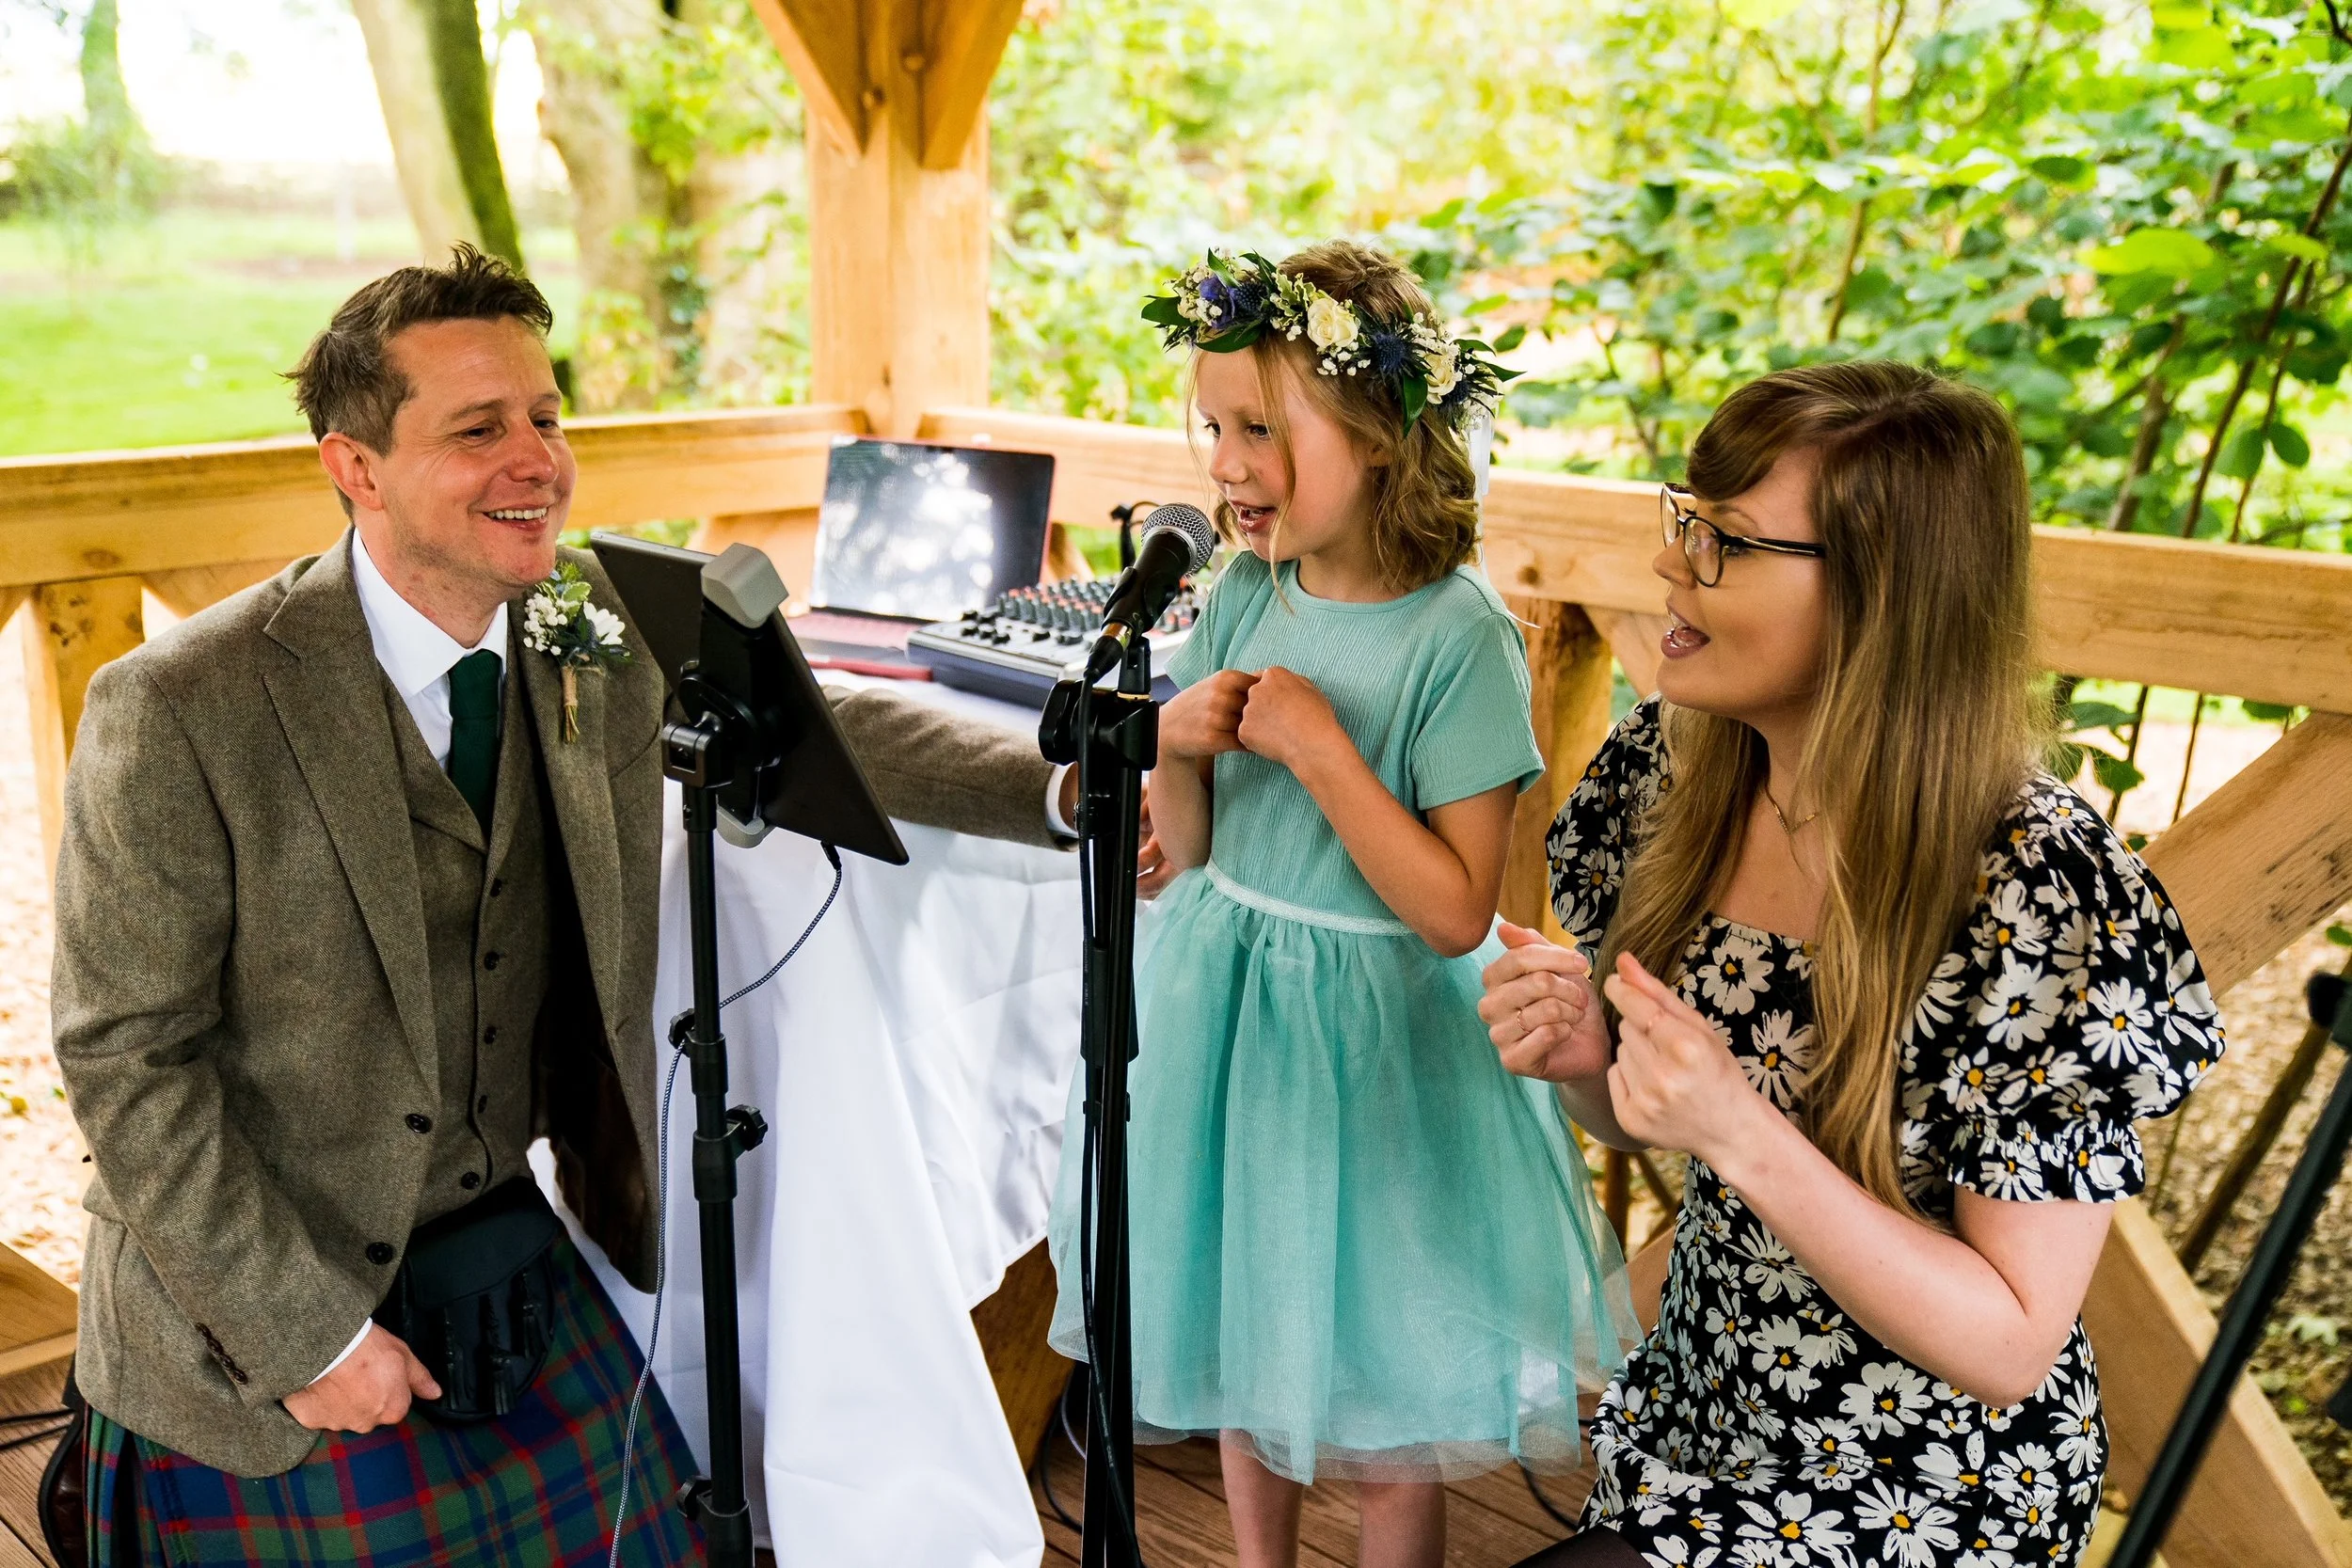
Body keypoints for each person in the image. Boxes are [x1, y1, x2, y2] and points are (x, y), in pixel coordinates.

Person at [52, 245, 1076, 1566]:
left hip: (507, 1249)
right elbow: (125, 1061)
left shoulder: (583, 613)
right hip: (262, 1307)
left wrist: (1068, 790)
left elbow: (820, 714)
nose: (535, 456)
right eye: (477, 428)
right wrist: (304, 1333)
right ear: (354, 467)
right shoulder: (183, 705)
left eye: (545, 415)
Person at [1477, 362, 2226, 1567]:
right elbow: (1629, 1120)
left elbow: (2009, 1342)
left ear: (1885, 595)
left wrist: (1737, 1131)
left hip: (1924, 1483)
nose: (1671, 565)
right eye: (1685, 518)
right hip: (1692, 1421)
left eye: (1726, 541)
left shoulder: (2041, 888)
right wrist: (1582, 1062)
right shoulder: (1677, 774)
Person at [1047, 241, 1635, 1568]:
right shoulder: (1247, 588)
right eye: (1211, 426)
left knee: (1381, 1401)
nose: (1226, 463)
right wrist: (1176, 742)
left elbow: (1453, 907)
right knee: (1256, 1351)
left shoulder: (1458, 635)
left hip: (1380, 1042)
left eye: (1261, 427)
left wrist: (1323, 750)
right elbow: (1188, 848)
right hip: (1232, 1013)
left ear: (1377, 433)